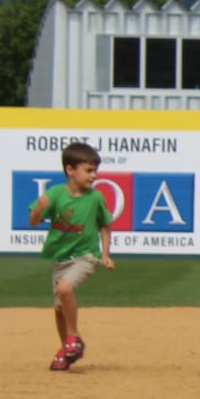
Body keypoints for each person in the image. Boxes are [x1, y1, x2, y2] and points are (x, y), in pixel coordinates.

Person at [28, 140, 116, 372]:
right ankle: (67, 351)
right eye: (88, 170)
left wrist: (105, 254)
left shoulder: (95, 198)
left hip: (86, 256)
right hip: (60, 258)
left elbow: (105, 225)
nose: (94, 175)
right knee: (59, 308)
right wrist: (39, 208)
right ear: (70, 170)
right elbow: (34, 221)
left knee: (65, 289)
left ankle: (73, 337)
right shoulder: (55, 194)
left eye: (95, 170)